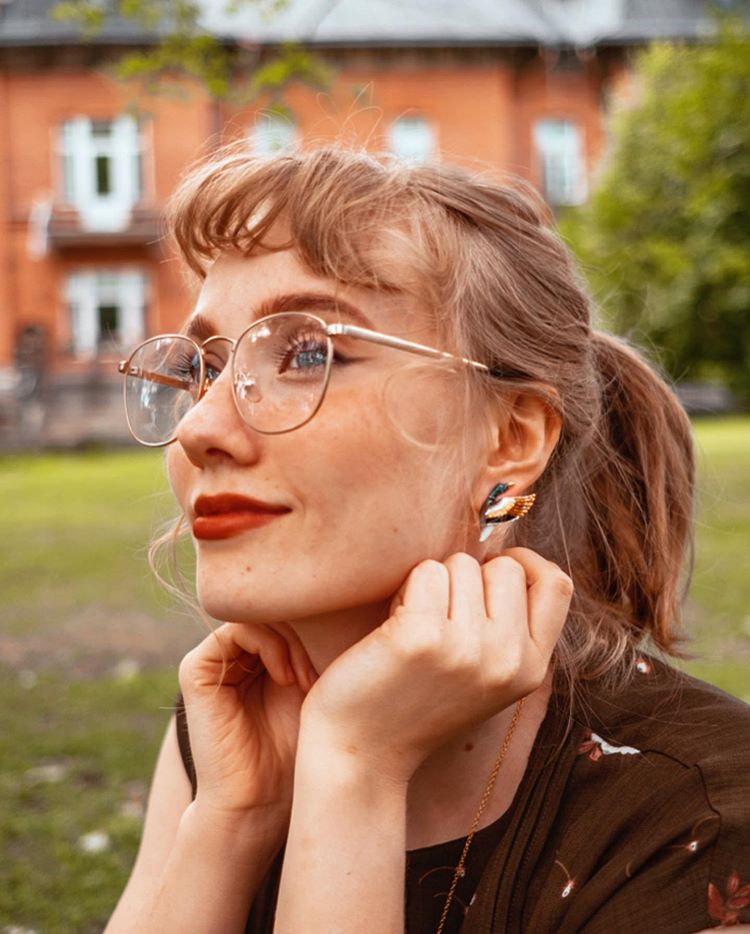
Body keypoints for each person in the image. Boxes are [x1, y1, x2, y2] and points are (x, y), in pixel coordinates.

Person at [106, 145, 750, 934]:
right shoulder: (236, 731)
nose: (201, 427)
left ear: (512, 437)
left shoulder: (700, 813)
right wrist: (230, 824)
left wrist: (355, 767)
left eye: (308, 354)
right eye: (205, 368)